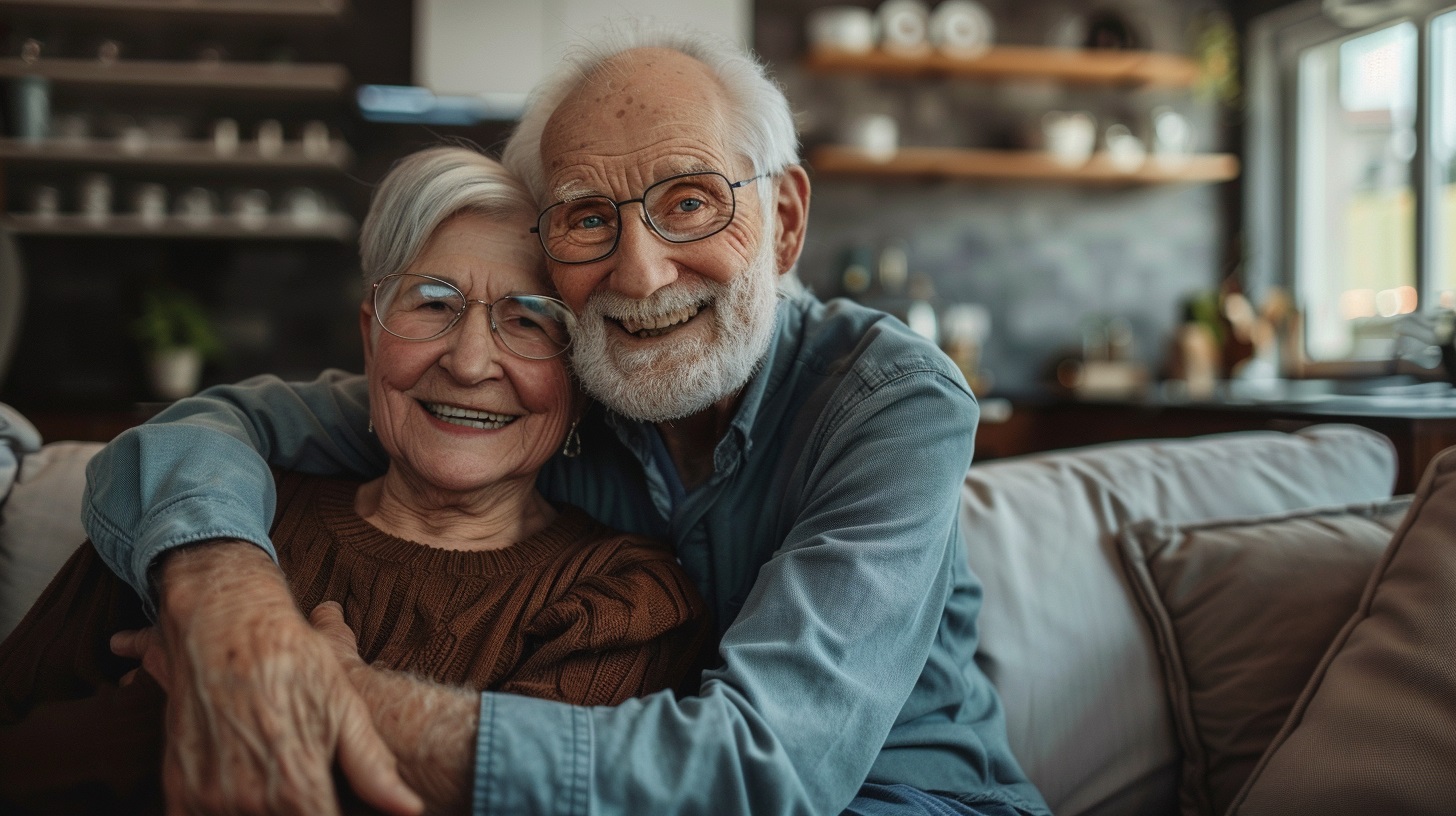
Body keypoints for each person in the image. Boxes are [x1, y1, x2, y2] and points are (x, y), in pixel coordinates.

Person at [83, 22, 1052, 816]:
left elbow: (755, 772)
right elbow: (206, 429)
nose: (640, 274)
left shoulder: (890, 401)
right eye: (589, 217)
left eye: (690, 202)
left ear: (786, 222)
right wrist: (226, 602)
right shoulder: (551, 383)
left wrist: (313, 688)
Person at [0, 147, 711, 814]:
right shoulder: (210, 522)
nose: (468, 363)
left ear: (582, 377)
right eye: (432, 303)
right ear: (371, 336)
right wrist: (155, 717)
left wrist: (234, 691)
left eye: (529, 321)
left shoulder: (623, 601)